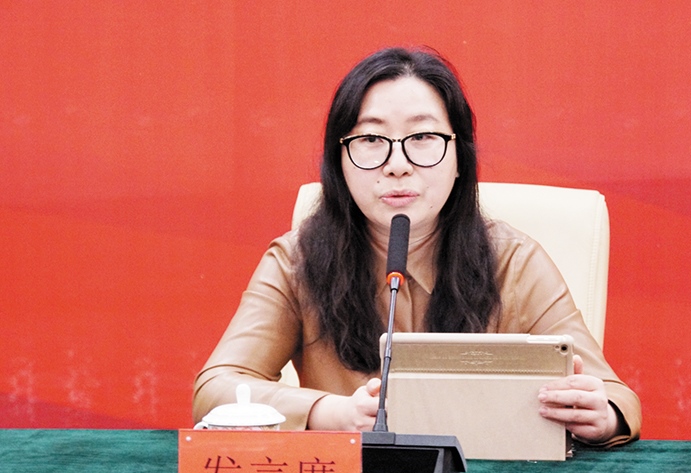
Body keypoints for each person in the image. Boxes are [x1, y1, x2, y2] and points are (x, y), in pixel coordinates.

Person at [193, 46, 641, 447]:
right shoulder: (298, 261)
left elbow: (615, 397)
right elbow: (215, 389)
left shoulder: (514, 262)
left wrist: (600, 416)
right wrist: (332, 413)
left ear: (460, 157)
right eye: (371, 140)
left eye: (423, 138)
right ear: (339, 160)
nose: (397, 165)